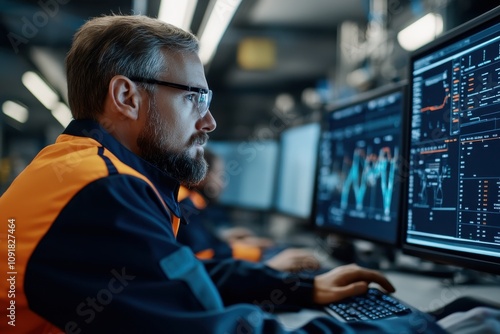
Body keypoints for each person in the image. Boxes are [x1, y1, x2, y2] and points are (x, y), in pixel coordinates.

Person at [0, 14, 498, 334]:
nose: (210, 121)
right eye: (194, 97)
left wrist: (303, 290)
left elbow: (169, 276)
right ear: (127, 96)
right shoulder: (99, 192)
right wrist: (413, 330)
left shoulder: (83, 172)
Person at [177, 149, 322, 273]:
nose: (223, 184)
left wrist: (228, 241)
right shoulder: (185, 204)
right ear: (201, 177)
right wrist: (268, 265)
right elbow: (205, 258)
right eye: (220, 175)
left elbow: (201, 245)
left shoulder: (188, 201)